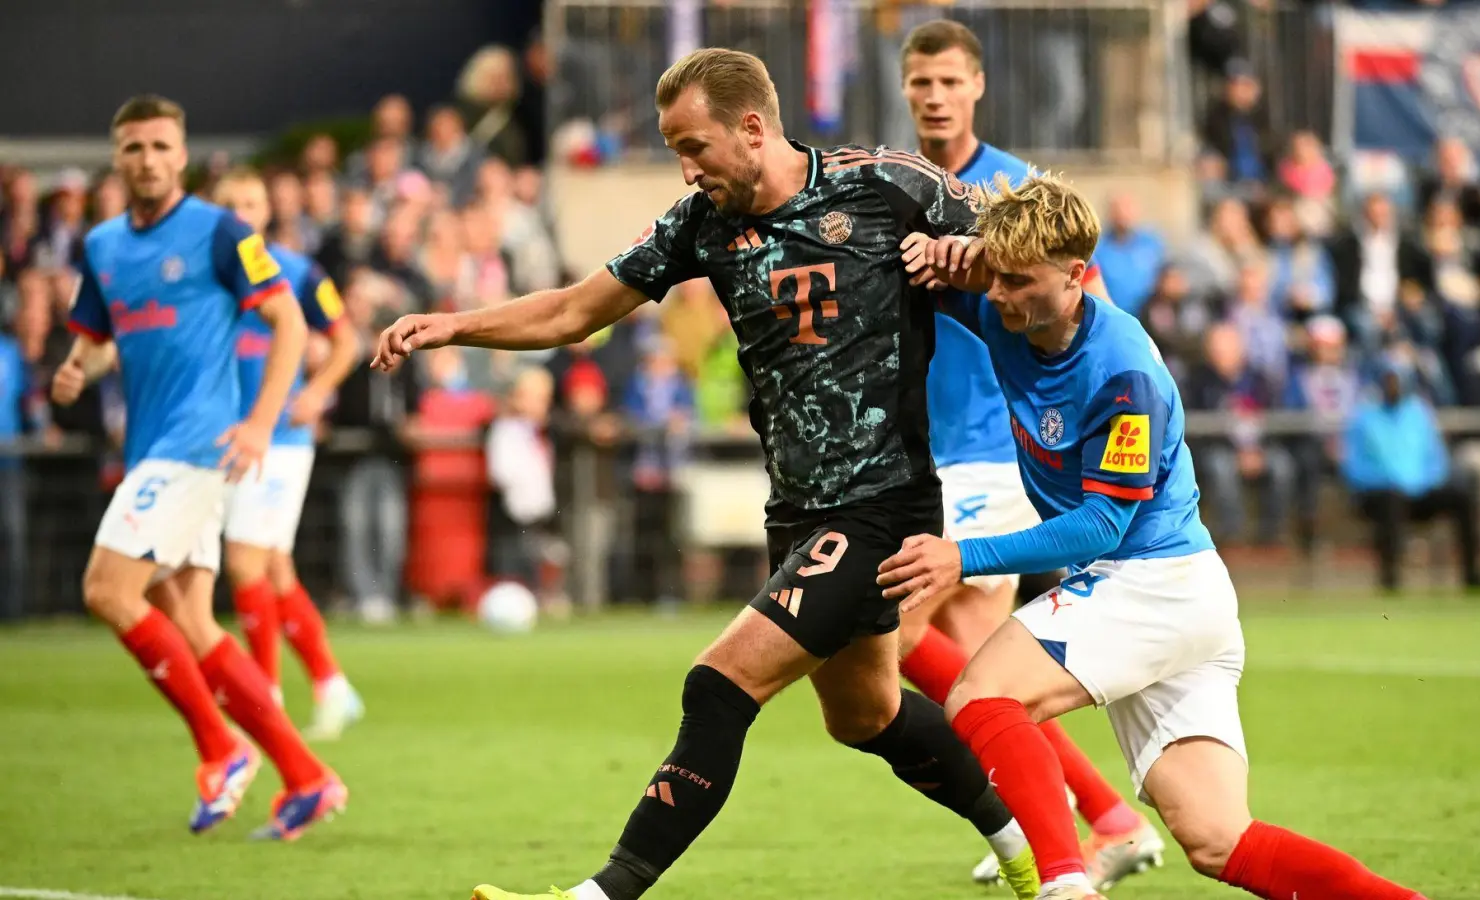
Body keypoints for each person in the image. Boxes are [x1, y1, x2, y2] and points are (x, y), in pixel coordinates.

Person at [371, 49, 1039, 900]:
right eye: (675, 151)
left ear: (753, 128)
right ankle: (1025, 848)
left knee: (718, 686)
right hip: (798, 510)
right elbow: (578, 309)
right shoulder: (700, 223)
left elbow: (1030, 248)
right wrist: (451, 324)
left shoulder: (888, 184)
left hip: (884, 507)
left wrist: (968, 255)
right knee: (865, 715)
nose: (687, 170)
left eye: (696, 147)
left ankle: (600, 894)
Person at [882, 173, 1431, 900]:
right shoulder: (1006, 309)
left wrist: (962, 557)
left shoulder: (1123, 370)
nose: (1004, 295)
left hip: (1149, 582)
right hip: (1173, 594)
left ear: (1077, 278)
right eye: (1000, 277)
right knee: (1218, 841)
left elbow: (1104, 523)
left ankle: (1064, 885)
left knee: (982, 697)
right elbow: (935, 276)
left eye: (1020, 281)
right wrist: (927, 253)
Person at [896, 18, 1161, 893]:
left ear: (977, 87)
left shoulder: (1011, 191)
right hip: (925, 450)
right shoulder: (897, 185)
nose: (934, 96)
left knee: (895, 636)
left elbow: (1094, 308)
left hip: (989, 453)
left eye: (948, 81)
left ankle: (1051, 849)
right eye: (919, 82)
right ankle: (1105, 822)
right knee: (983, 672)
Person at [51, 95, 346, 838]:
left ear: (181, 156)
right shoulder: (103, 246)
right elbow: (93, 336)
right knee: (188, 616)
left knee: (106, 589)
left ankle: (220, 748)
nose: (147, 159)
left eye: (160, 146)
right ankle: (307, 776)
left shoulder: (220, 232)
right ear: (116, 158)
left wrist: (259, 421)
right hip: (151, 448)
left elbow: (286, 319)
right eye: (133, 147)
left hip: (198, 446)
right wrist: (74, 369)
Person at [212, 168, 366, 740]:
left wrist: (318, 391)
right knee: (275, 568)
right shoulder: (211, 275)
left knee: (245, 563)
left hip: (281, 439)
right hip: (230, 435)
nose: (242, 212)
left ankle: (265, 697)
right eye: (231, 203)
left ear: (265, 210)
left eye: (251, 202)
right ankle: (331, 685)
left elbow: (347, 339)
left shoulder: (298, 270)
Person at [1344, 364, 1480, 592]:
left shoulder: (1418, 415)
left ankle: (1473, 573)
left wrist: (1420, 483)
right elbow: (1354, 467)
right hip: (1380, 494)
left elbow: (1436, 460)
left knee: (1463, 495)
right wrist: (1389, 481)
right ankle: (1390, 578)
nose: (1393, 387)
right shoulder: (1364, 418)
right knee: (1391, 499)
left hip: (1419, 491)